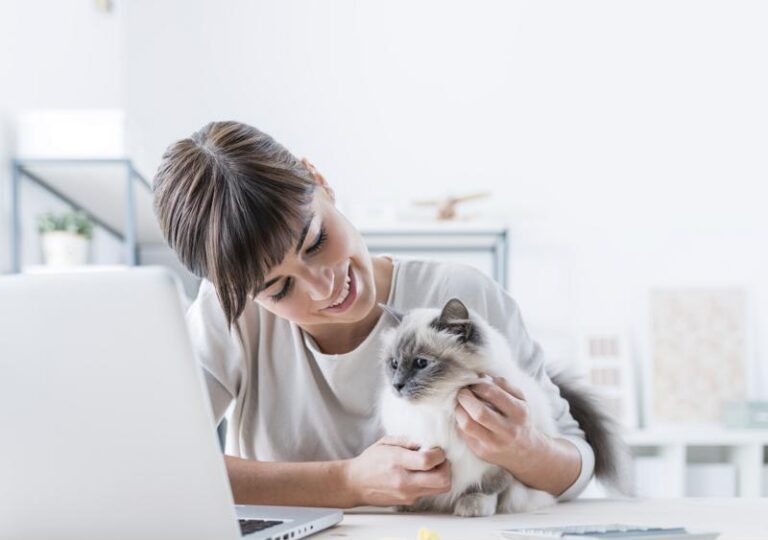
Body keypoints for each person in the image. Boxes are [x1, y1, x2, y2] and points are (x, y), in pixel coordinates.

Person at [152, 121, 595, 508]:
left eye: (317, 241)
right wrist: (346, 482)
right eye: (279, 288)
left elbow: (577, 465)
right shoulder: (228, 314)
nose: (325, 287)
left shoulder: (458, 296)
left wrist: (526, 449)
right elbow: (164, 465)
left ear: (319, 180)